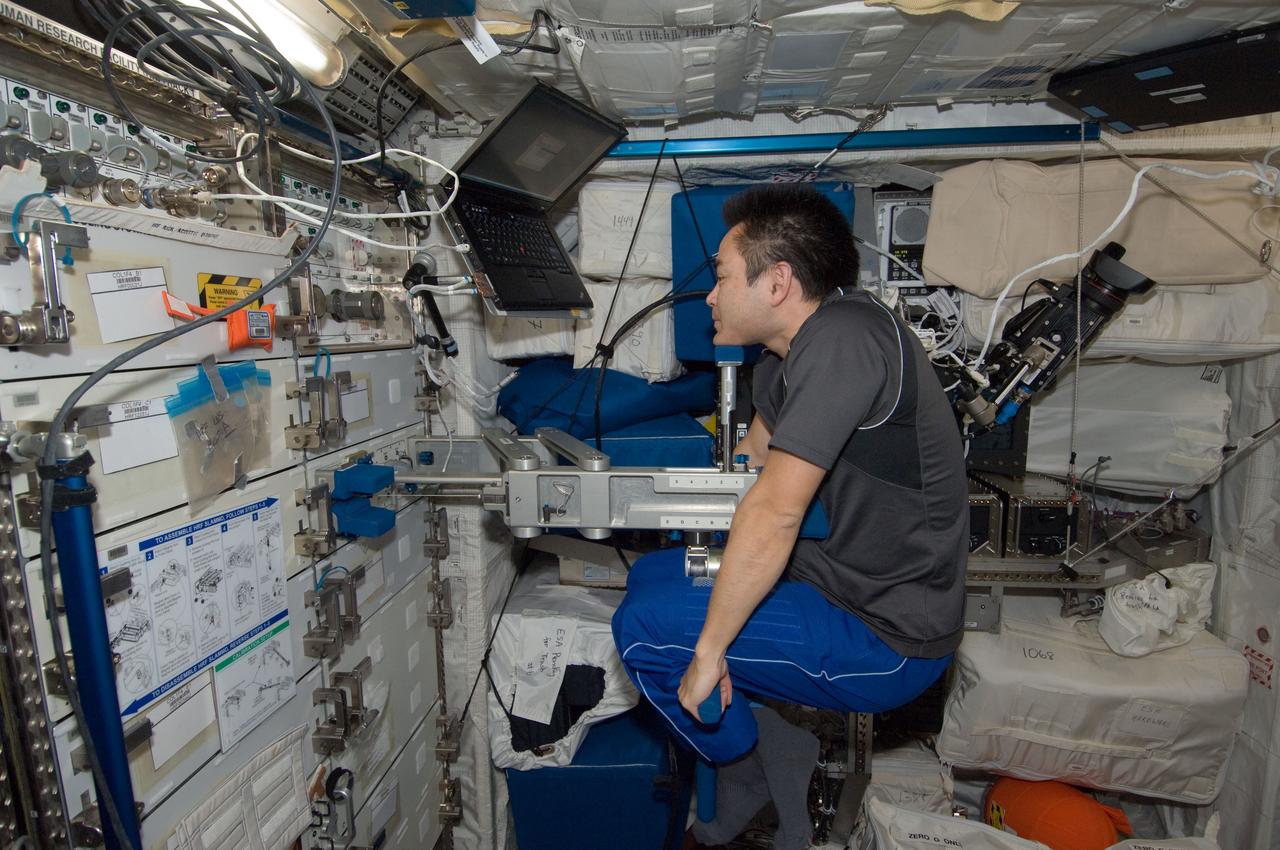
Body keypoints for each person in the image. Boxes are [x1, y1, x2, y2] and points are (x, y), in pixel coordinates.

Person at [611, 183, 969, 765]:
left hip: (885, 634)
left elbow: (775, 509)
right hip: (831, 580)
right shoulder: (784, 359)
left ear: (776, 282)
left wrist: (709, 650)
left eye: (722, 277)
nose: (709, 297)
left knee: (645, 629)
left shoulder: (845, 337)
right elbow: (748, 467)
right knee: (651, 576)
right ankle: (738, 710)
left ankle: (741, 765)